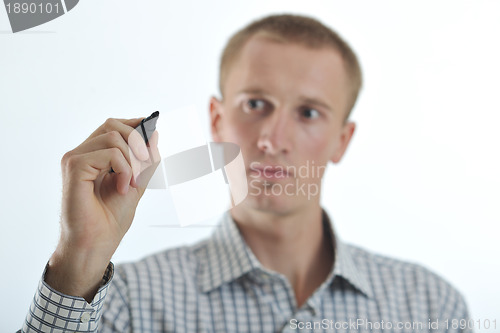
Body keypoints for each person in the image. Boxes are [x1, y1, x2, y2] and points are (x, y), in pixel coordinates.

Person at [21, 14, 471, 332]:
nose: (273, 138)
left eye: (309, 113)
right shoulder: (126, 304)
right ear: (217, 120)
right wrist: (78, 258)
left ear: (342, 140)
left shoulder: (430, 306)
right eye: (255, 104)